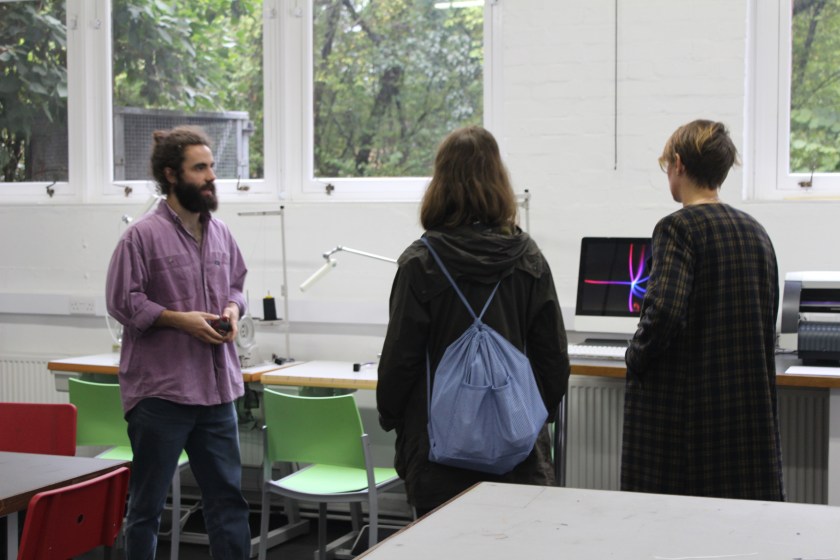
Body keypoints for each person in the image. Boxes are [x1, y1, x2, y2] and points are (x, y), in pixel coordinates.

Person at [376, 125, 570, 516]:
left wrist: (392, 417)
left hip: (438, 459)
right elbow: (554, 361)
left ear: (440, 184)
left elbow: (401, 360)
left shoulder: (420, 264)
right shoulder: (529, 259)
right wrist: (526, 419)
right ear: (499, 181)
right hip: (518, 455)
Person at [106, 125, 252, 559]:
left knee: (228, 504)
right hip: (162, 394)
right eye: (200, 168)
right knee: (148, 507)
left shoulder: (222, 233)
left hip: (217, 393)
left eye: (212, 168)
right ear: (172, 175)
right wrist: (178, 320)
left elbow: (238, 285)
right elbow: (122, 302)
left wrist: (233, 310)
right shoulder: (141, 236)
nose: (211, 177)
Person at [621, 119, 784, 501]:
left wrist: (634, 356)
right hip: (744, 421)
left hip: (686, 429)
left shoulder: (678, 228)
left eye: (667, 168)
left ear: (678, 164)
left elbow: (663, 313)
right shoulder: (756, 231)